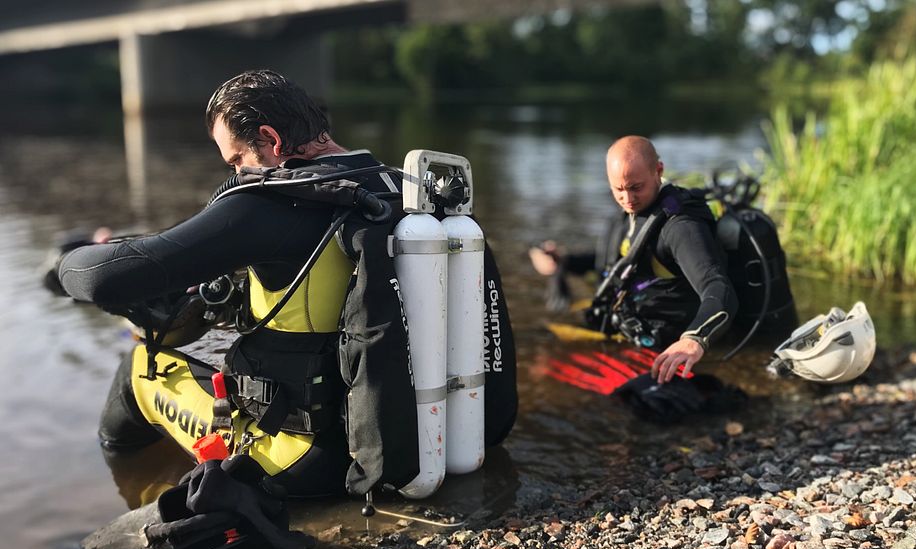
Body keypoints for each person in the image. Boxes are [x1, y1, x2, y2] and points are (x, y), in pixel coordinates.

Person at [52, 70, 517, 506]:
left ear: (271, 141)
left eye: (237, 159)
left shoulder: (270, 204)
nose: (238, 174)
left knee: (137, 370)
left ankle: (129, 489)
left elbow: (104, 277)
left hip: (302, 464)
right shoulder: (407, 192)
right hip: (420, 439)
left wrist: (65, 262)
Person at [530, 135, 738, 384]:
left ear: (658, 171)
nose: (627, 199)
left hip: (665, 342)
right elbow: (626, 261)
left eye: (636, 187)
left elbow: (717, 286)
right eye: (618, 189)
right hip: (626, 322)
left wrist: (694, 338)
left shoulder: (681, 227)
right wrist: (565, 261)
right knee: (539, 342)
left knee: (541, 357)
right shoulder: (637, 211)